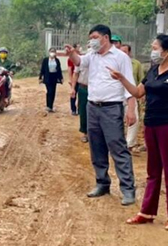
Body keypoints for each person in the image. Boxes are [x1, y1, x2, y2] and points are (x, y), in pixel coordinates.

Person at [108, 34, 168, 231]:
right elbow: (138, 93)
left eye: (155, 48)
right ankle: (147, 212)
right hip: (151, 125)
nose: (153, 51)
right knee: (152, 171)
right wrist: (122, 79)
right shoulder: (153, 71)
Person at [66, 24, 137, 206]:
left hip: (112, 108)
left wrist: (130, 110)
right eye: (90, 38)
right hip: (92, 107)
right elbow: (79, 62)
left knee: (117, 148)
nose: (92, 41)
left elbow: (129, 84)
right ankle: (102, 183)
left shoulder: (120, 57)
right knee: (96, 147)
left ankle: (128, 189)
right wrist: (72, 53)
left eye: (95, 37)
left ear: (106, 38)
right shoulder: (92, 56)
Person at [121, 44, 145, 153]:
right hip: (118, 95)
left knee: (133, 120)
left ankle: (129, 144)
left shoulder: (136, 64)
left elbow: (141, 80)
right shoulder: (114, 62)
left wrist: (142, 94)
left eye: (125, 51)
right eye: (121, 51)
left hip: (132, 95)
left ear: (129, 53)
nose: (123, 53)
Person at [71, 46, 89, 143]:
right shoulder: (81, 61)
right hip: (83, 88)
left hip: (95, 89)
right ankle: (85, 133)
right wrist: (73, 88)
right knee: (83, 110)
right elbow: (75, 74)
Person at [39, 47, 63, 113]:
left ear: (55, 53)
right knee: (49, 91)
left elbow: (59, 70)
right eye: (51, 51)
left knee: (53, 92)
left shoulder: (57, 60)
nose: (52, 53)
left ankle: (51, 106)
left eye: (53, 51)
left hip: (54, 77)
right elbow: (42, 69)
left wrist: (61, 78)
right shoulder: (45, 60)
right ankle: (48, 106)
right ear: (49, 52)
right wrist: (40, 77)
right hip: (47, 77)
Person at [67, 44, 81, 116]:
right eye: (78, 47)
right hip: (74, 79)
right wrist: (70, 79)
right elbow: (69, 70)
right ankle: (73, 109)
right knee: (73, 94)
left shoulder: (82, 57)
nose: (80, 48)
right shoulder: (70, 59)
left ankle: (80, 109)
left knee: (81, 95)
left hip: (81, 79)